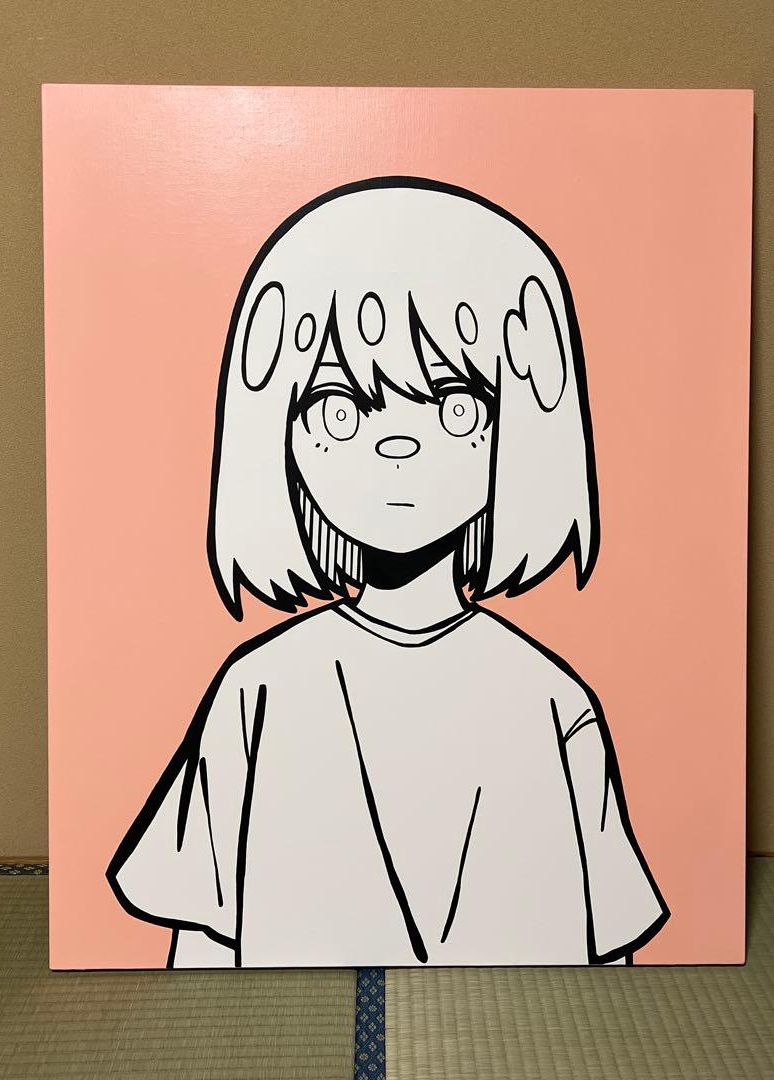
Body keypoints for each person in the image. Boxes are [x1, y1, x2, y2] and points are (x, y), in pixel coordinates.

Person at [107, 177, 668, 968]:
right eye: (340, 407)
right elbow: (202, 944)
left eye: (456, 405)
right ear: (277, 434)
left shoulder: (554, 703)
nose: (397, 444)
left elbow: (612, 963)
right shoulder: (257, 689)